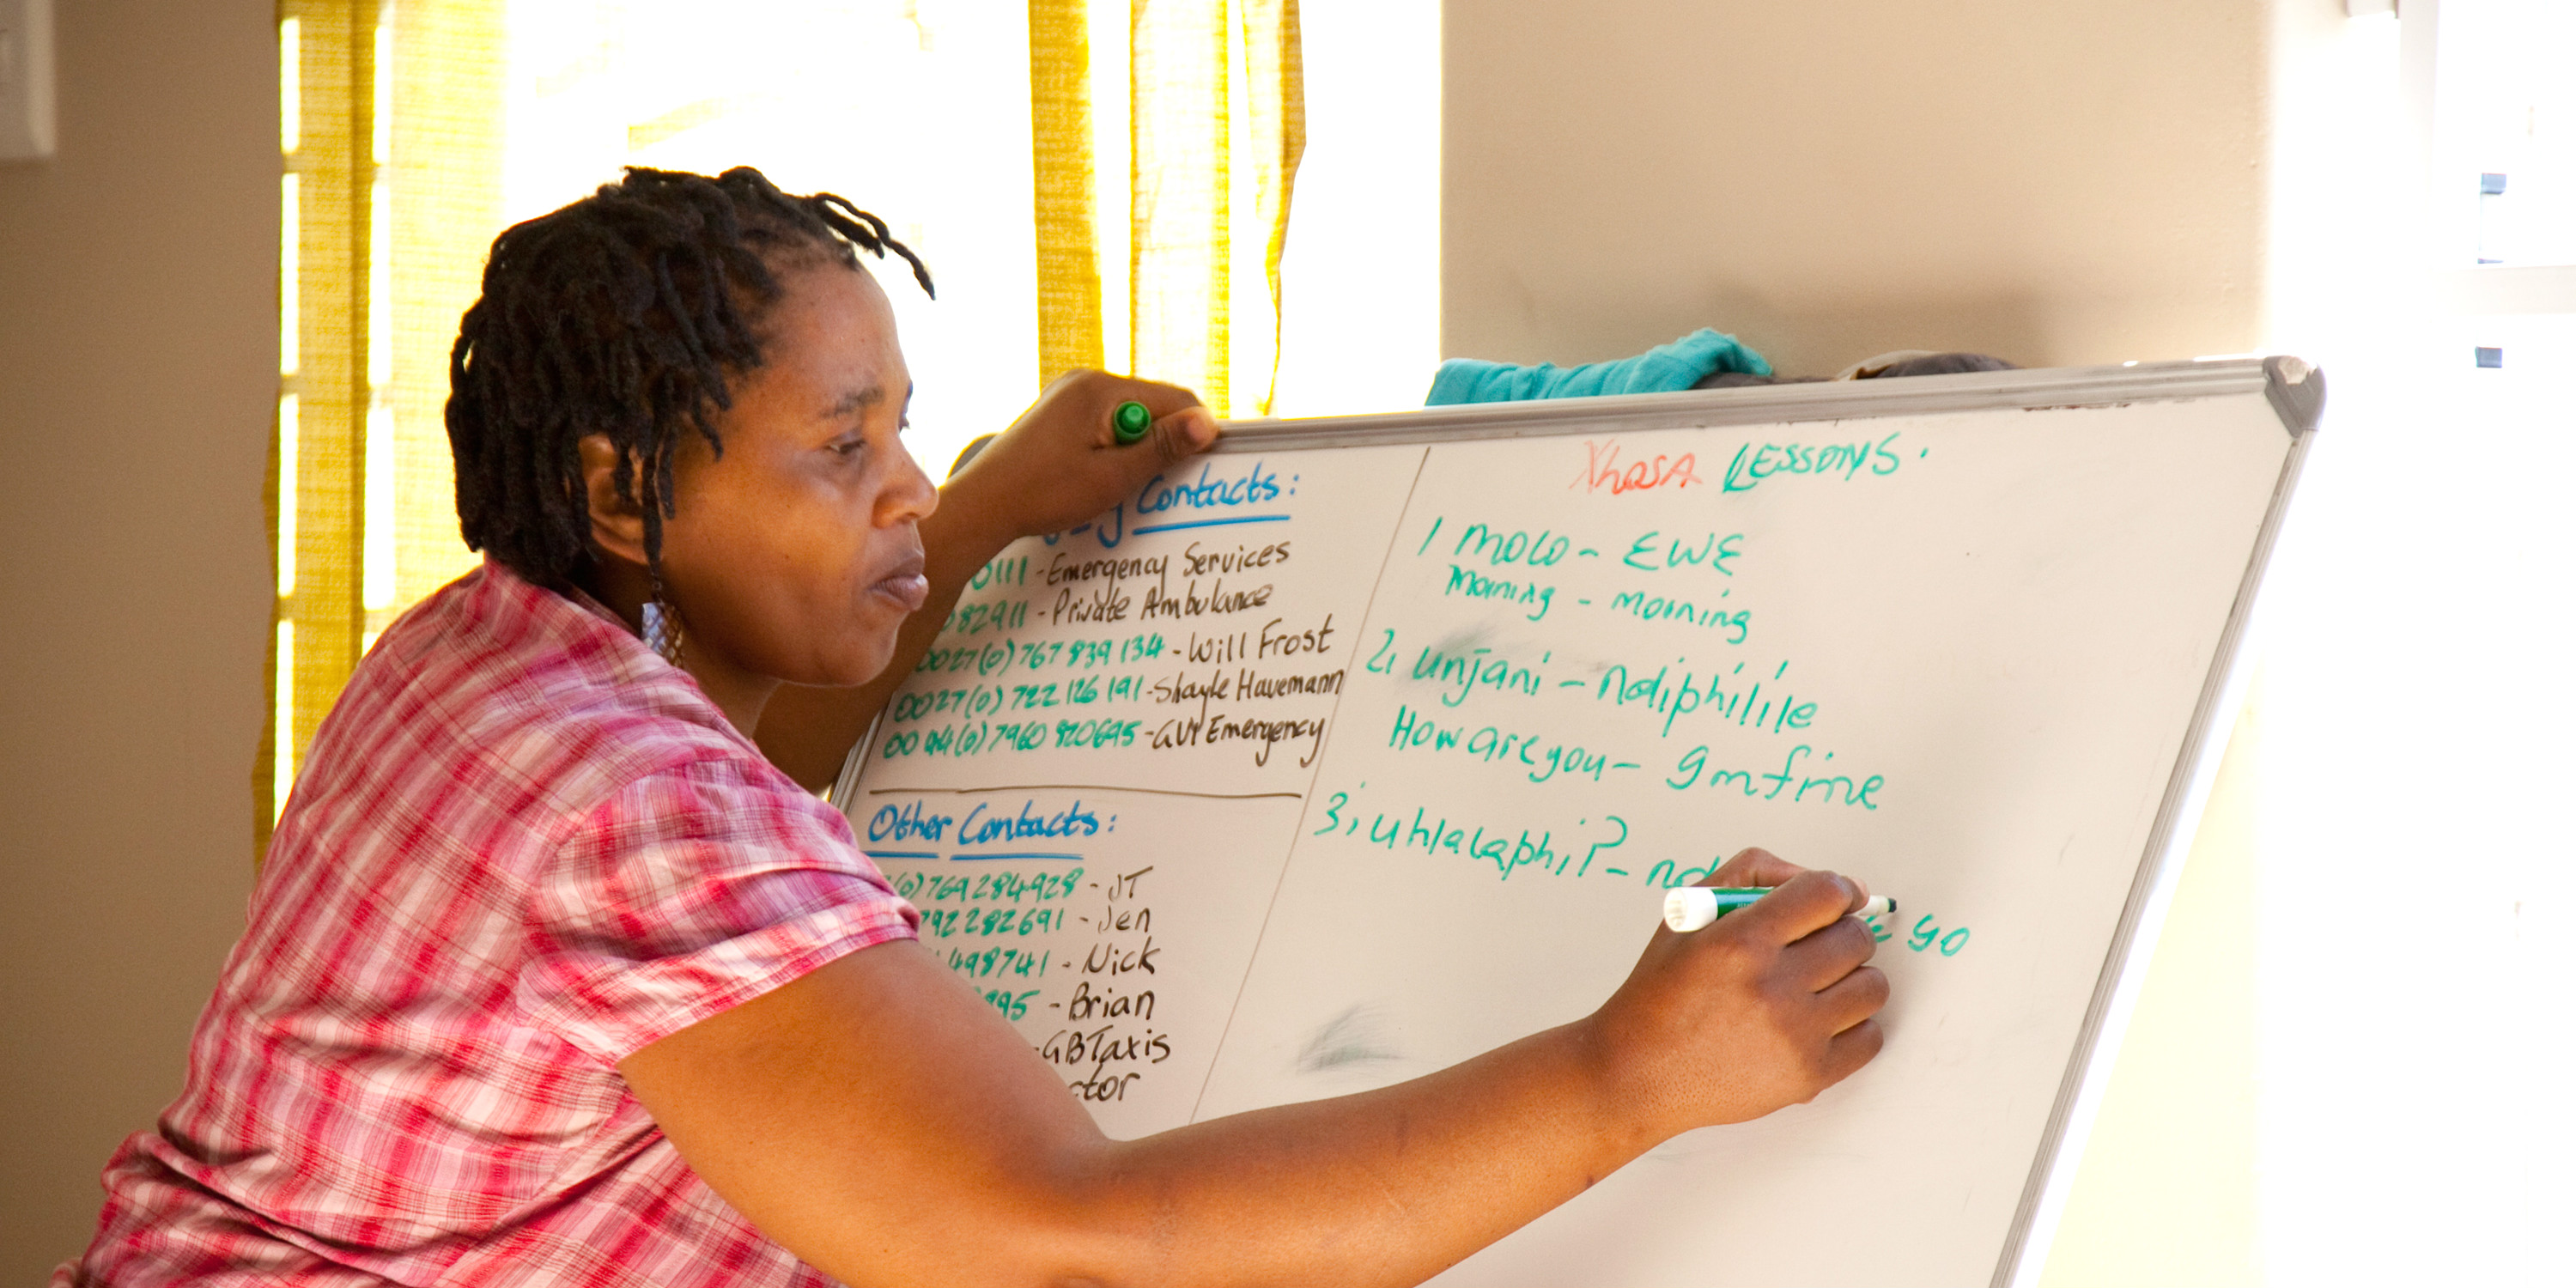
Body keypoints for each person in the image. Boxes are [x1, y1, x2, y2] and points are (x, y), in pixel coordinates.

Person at [59, 166, 1886, 1288]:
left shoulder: (482, 656)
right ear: (624, 497)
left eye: (908, 432)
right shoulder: (624, 801)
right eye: (845, 448)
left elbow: (732, 845)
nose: (910, 487)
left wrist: (995, 518)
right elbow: (1060, 1244)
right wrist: (1624, 1076)